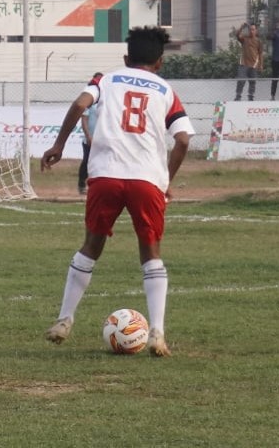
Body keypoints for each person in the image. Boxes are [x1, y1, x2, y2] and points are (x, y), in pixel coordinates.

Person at [39, 26, 195, 357]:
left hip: (106, 175)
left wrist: (58, 144)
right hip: (146, 179)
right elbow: (183, 139)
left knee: (90, 247)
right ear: (160, 62)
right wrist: (166, 180)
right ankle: (157, 333)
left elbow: (80, 104)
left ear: (126, 58)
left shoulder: (105, 79)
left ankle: (64, 320)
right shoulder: (166, 90)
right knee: (151, 253)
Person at [77, 72, 103, 195]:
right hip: (90, 138)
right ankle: (82, 184)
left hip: (103, 139)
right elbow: (84, 120)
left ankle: (97, 186)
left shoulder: (106, 100)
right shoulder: (89, 100)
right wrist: (88, 136)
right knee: (87, 161)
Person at [233, 22, 262, 101]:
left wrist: (260, 65)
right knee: (241, 80)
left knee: (252, 82)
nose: (252, 31)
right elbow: (237, 35)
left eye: (253, 29)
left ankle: (250, 96)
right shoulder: (244, 39)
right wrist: (242, 27)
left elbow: (260, 54)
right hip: (243, 64)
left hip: (254, 65)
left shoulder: (258, 41)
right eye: (250, 30)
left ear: (256, 31)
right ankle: (238, 96)